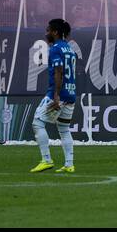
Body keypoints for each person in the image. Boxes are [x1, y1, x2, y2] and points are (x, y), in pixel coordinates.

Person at [31, 18, 78, 174]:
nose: (46, 33)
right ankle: (69, 164)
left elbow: (59, 71)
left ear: (55, 32)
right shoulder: (70, 49)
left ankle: (46, 160)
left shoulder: (55, 49)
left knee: (37, 123)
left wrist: (56, 95)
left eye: (48, 30)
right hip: (71, 94)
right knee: (64, 129)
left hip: (58, 94)